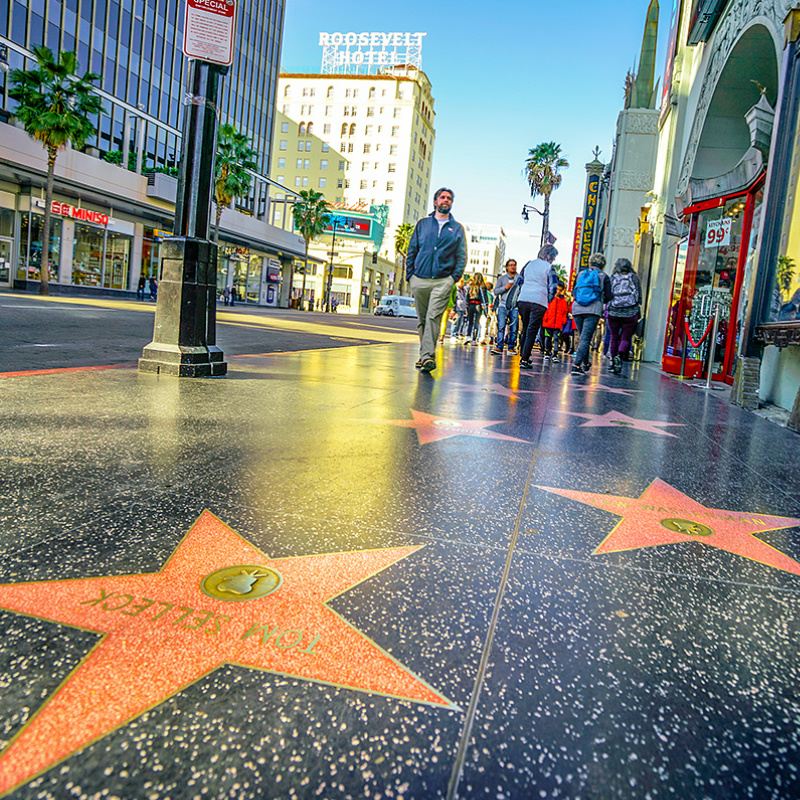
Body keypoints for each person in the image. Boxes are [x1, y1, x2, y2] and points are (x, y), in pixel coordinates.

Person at [406, 187, 467, 373]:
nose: (445, 200)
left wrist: (452, 279)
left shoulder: (456, 229)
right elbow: (412, 250)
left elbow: (461, 256)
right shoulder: (423, 224)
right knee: (423, 319)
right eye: (442, 197)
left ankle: (426, 357)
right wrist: (410, 276)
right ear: (435, 202)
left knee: (433, 317)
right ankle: (425, 354)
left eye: (449, 198)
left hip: (443, 281)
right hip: (420, 279)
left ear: (451, 203)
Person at [518, 244, 559, 369]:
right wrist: (548, 299)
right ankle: (524, 359)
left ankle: (523, 354)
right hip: (539, 300)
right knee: (532, 329)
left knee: (525, 328)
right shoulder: (549, 267)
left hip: (523, 298)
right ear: (548, 256)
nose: (553, 260)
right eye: (553, 257)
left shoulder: (528, 264)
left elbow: (519, 281)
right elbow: (553, 287)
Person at [571, 253, 613, 375]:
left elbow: (574, 291)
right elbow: (609, 296)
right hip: (593, 309)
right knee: (586, 338)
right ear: (603, 265)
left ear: (590, 263)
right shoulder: (604, 276)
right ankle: (576, 365)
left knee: (582, 336)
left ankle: (585, 362)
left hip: (577, 308)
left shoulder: (580, 274)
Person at [607, 257, 643, 374]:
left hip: (614, 311)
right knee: (626, 337)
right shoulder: (634, 277)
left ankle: (613, 360)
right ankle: (620, 356)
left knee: (614, 336)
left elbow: (608, 294)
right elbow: (639, 295)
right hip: (630, 312)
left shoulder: (613, 277)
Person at [492, 259, 520, 355]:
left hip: (514, 306)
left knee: (514, 328)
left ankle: (511, 347)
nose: (513, 267)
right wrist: (505, 288)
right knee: (501, 326)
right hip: (503, 305)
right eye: (511, 265)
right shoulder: (502, 279)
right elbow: (495, 291)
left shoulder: (520, 279)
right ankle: (499, 346)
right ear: (507, 267)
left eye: (514, 265)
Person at [542, 282, 569, 363]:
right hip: (548, 323)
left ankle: (555, 354)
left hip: (557, 324)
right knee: (548, 338)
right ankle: (547, 352)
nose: (558, 291)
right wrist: (545, 318)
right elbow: (545, 309)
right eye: (557, 289)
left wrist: (563, 321)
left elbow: (564, 312)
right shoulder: (549, 299)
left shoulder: (563, 301)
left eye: (560, 290)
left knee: (556, 339)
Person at [464, 273, 488, 346]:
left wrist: (467, 305)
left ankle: (468, 336)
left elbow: (467, 296)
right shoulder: (482, 287)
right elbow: (484, 297)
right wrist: (485, 307)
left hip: (471, 305)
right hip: (478, 305)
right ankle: (474, 339)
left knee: (470, 321)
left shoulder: (471, 286)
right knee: (476, 322)